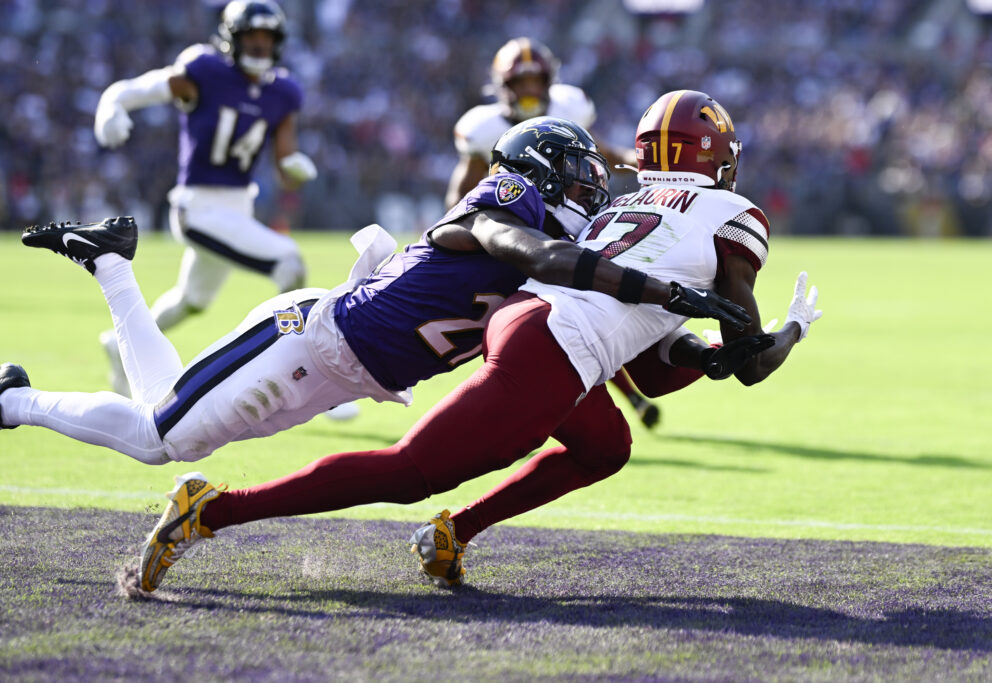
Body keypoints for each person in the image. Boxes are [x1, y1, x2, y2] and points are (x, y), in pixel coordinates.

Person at [128, 90, 821, 593]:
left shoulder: (618, 209)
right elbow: (751, 363)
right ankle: (211, 509)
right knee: (409, 472)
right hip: (552, 343)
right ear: (721, 160)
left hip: (533, 324)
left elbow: (648, 360)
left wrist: (703, 351)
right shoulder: (734, 214)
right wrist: (786, 331)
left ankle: (453, 532)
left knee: (607, 445)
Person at [2, 117, 743, 474]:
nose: (590, 192)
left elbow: (604, 330)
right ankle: (13, 400)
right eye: (581, 177)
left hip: (343, 373)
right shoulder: (507, 205)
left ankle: (109, 264)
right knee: (159, 438)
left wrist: (702, 348)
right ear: (540, 173)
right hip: (308, 340)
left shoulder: (556, 256)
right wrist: (666, 288)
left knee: (164, 418)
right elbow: (545, 253)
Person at [91, 0, 327, 407]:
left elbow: (284, 164)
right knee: (289, 261)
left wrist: (295, 166)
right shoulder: (205, 71)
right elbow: (134, 89)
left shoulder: (283, 91)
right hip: (197, 208)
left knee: (191, 301)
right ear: (231, 39)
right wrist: (110, 105)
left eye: (267, 38)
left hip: (238, 210)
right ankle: (300, 373)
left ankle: (119, 343)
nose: (258, 46)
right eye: (251, 37)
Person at [447, 36, 658, 428]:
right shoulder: (483, 127)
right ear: (502, 86)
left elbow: (593, 149)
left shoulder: (569, 107)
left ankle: (623, 394)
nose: (529, 91)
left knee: (584, 300)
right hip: (519, 228)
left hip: (565, 217)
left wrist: (632, 160)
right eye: (519, 83)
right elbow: (464, 192)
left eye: (535, 81)